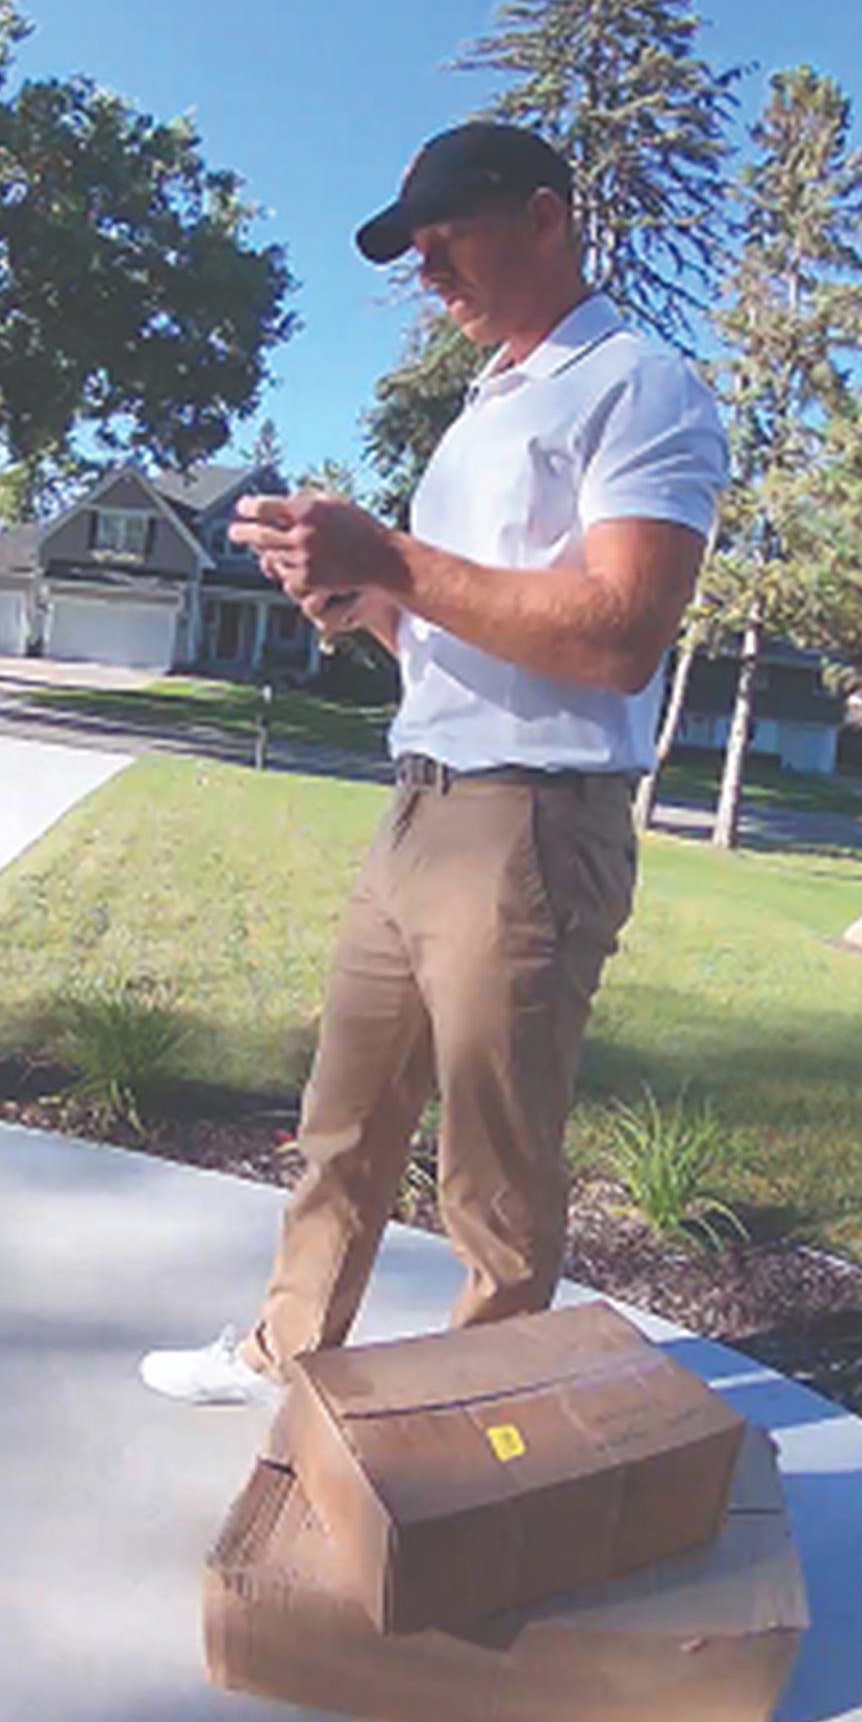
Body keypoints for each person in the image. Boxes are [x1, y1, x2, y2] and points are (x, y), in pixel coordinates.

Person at [139, 122, 726, 1404]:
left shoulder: (638, 384)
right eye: (411, 249)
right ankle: (282, 1349)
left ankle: (477, 1430)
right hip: (418, 806)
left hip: (529, 828)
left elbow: (622, 634)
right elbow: (460, 629)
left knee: (492, 1173)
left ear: (543, 218)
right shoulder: (483, 410)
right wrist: (360, 599)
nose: (426, 272)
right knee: (341, 1122)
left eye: (445, 237)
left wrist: (392, 557)